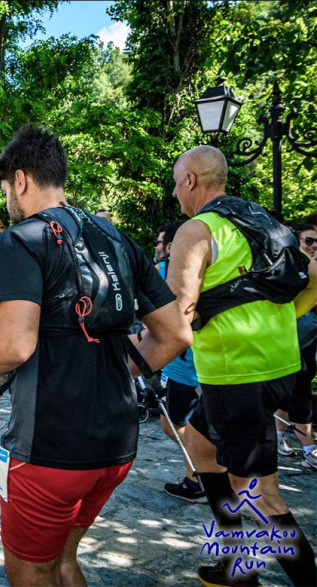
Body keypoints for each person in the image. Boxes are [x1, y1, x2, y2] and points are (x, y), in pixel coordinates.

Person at [0, 123, 190, 585]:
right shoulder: (116, 238)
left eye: (5, 189)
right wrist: (118, 367)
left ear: (20, 180)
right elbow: (174, 334)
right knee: (65, 560)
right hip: (116, 445)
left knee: (31, 569)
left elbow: (14, 344)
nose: (7, 203)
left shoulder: (21, 239)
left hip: (48, 450)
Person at [167, 145, 317, 586]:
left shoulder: (197, 231)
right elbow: (310, 275)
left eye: (177, 184)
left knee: (261, 495)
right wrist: (284, 318)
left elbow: (178, 311)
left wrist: (140, 358)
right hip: (278, 366)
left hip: (238, 374)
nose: (176, 194)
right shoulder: (265, 223)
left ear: (191, 180)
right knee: (199, 445)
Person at [150, 220, 206, 503]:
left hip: (181, 364)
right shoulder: (203, 267)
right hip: (202, 358)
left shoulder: (164, 270)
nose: (157, 248)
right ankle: (203, 471)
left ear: (170, 246)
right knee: (188, 422)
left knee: (172, 423)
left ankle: (199, 477)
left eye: (159, 243)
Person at [275, 223, 317, 471]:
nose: (313, 246)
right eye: (309, 240)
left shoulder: (310, 270)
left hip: (305, 342)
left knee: (294, 390)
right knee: (298, 394)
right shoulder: (289, 270)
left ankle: (281, 438)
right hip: (288, 340)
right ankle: (309, 448)